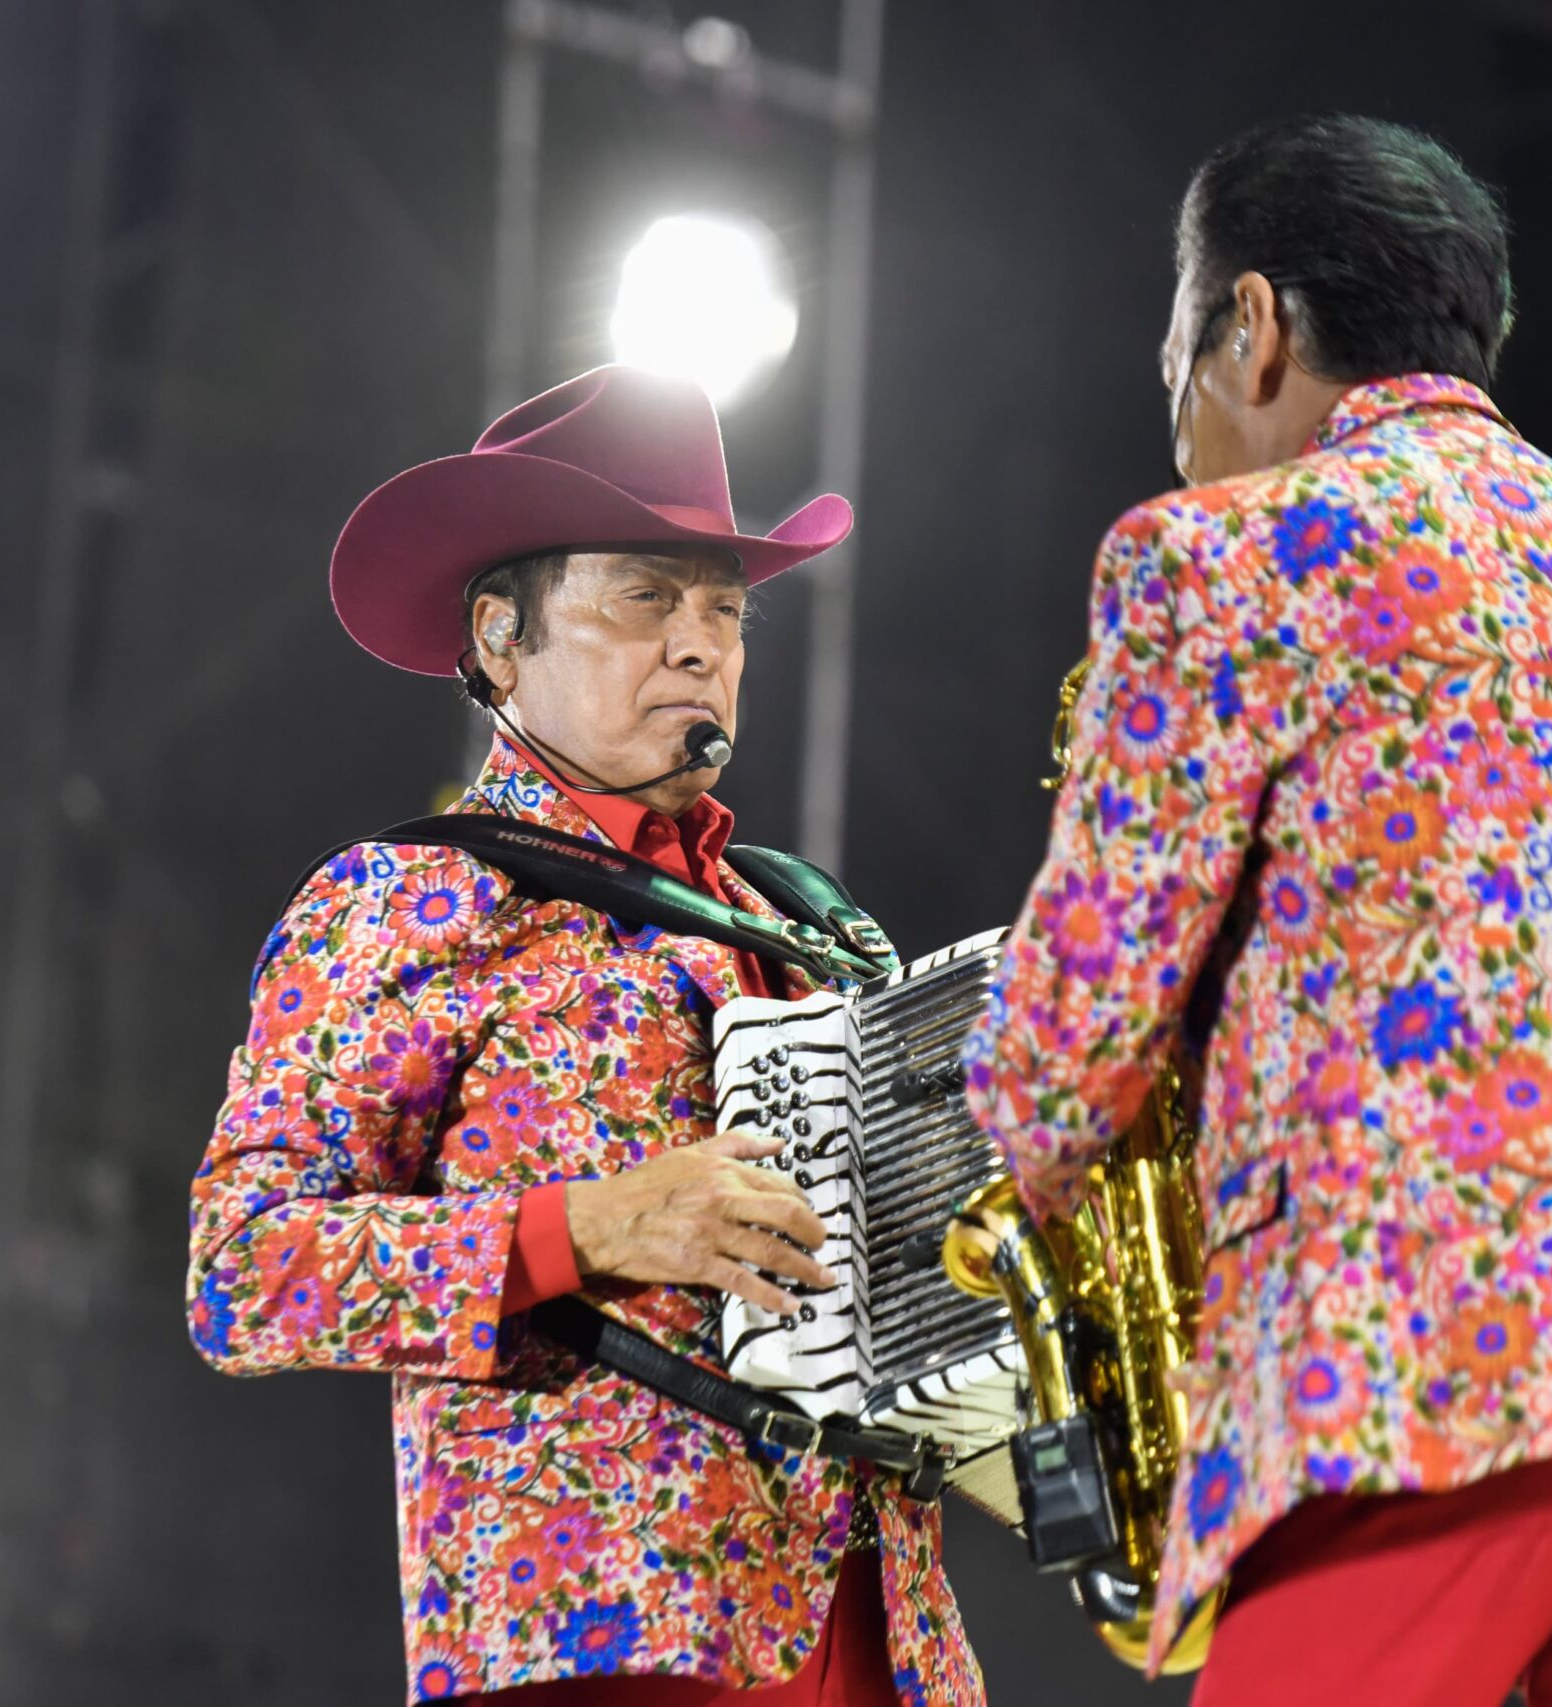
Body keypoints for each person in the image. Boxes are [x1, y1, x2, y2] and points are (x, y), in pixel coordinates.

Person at [963, 114, 1552, 1706]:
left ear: (1254, 327)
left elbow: (1064, 1050)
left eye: (1176, 373)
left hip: (1441, 1347)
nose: (1183, 440)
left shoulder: (1223, 555)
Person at [187, 366, 980, 1707]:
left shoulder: (813, 922)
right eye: (645, 598)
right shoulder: (403, 898)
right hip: (603, 1642)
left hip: (886, 1645)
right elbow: (241, 1271)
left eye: (725, 610)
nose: (701, 645)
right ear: (501, 637)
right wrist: (592, 1227)